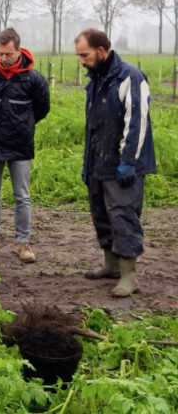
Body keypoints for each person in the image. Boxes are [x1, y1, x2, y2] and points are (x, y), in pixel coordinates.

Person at [75, 29, 155, 297]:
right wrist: (88, 163)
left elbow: (137, 123)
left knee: (123, 216)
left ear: (101, 50)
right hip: (98, 161)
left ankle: (129, 276)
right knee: (101, 213)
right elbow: (93, 126)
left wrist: (128, 162)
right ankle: (110, 264)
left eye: (84, 55)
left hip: (122, 164)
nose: (82, 61)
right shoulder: (96, 80)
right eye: (79, 56)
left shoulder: (129, 77)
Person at [0, 28, 50, 263]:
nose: (4, 58)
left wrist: (23, 124)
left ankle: (23, 243)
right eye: (0, 53)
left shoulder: (34, 79)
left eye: (8, 54)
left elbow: (42, 109)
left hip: (20, 145)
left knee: (22, 196)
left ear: (19, 50)